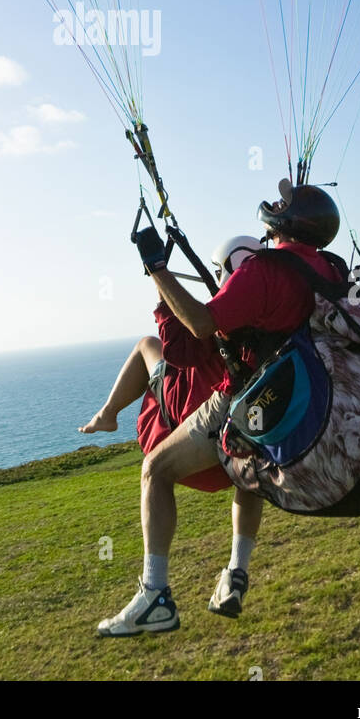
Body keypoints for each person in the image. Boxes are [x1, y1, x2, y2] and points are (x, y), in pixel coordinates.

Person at [97, 184, 347, 637]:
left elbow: (199, 324)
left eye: (283, 204)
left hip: (242, 397)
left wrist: (157, 269)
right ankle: (235, 573)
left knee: (155, 470)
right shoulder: (328, 269)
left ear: (286, 224)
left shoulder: (265, 273)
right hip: (290, 404)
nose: (275, 203)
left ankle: (155, 596)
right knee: (248, 474)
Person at [81, 236, 265, 620]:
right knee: (252, 469)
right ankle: (236, 571)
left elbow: (180, 346)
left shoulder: (224, 323)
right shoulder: (272, 321)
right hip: (236, 452)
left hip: (186, 429)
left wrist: (159, 279)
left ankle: (108, 413)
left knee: (148, 346)